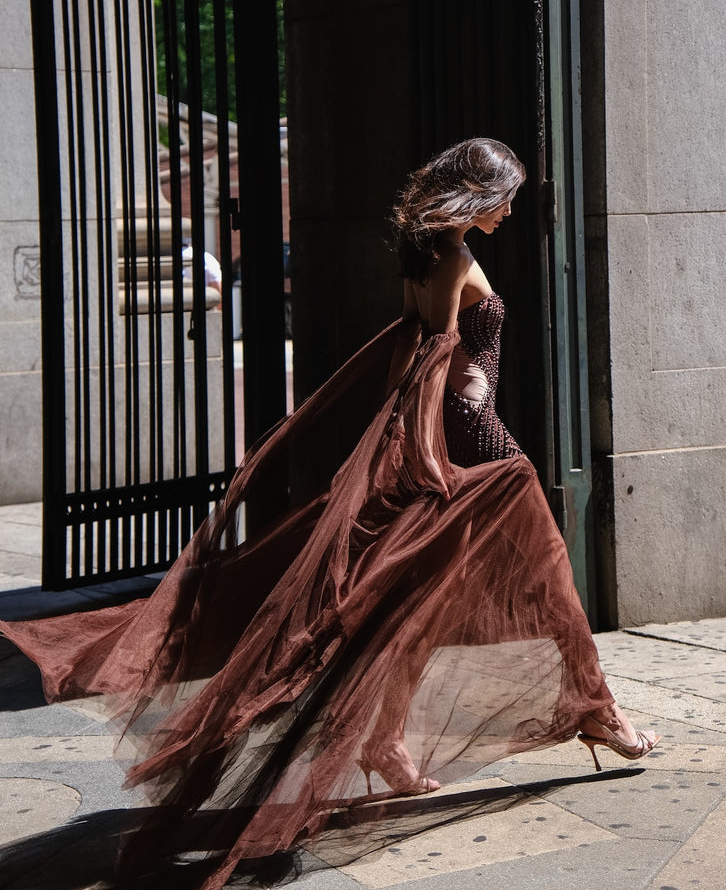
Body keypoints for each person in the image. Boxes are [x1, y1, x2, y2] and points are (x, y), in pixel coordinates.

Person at [0, 138, 659, 888]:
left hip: (461, 439)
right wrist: (425, 454)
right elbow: (429, 362)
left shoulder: (432, 254)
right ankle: (598, 711)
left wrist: (407, 444)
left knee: (417, 598)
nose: (512, 209)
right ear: (479, 194)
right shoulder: (449, 258)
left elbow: (406, 356)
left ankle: (390, 744)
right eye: (507, 195)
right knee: (546, 582)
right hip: (479, 447)